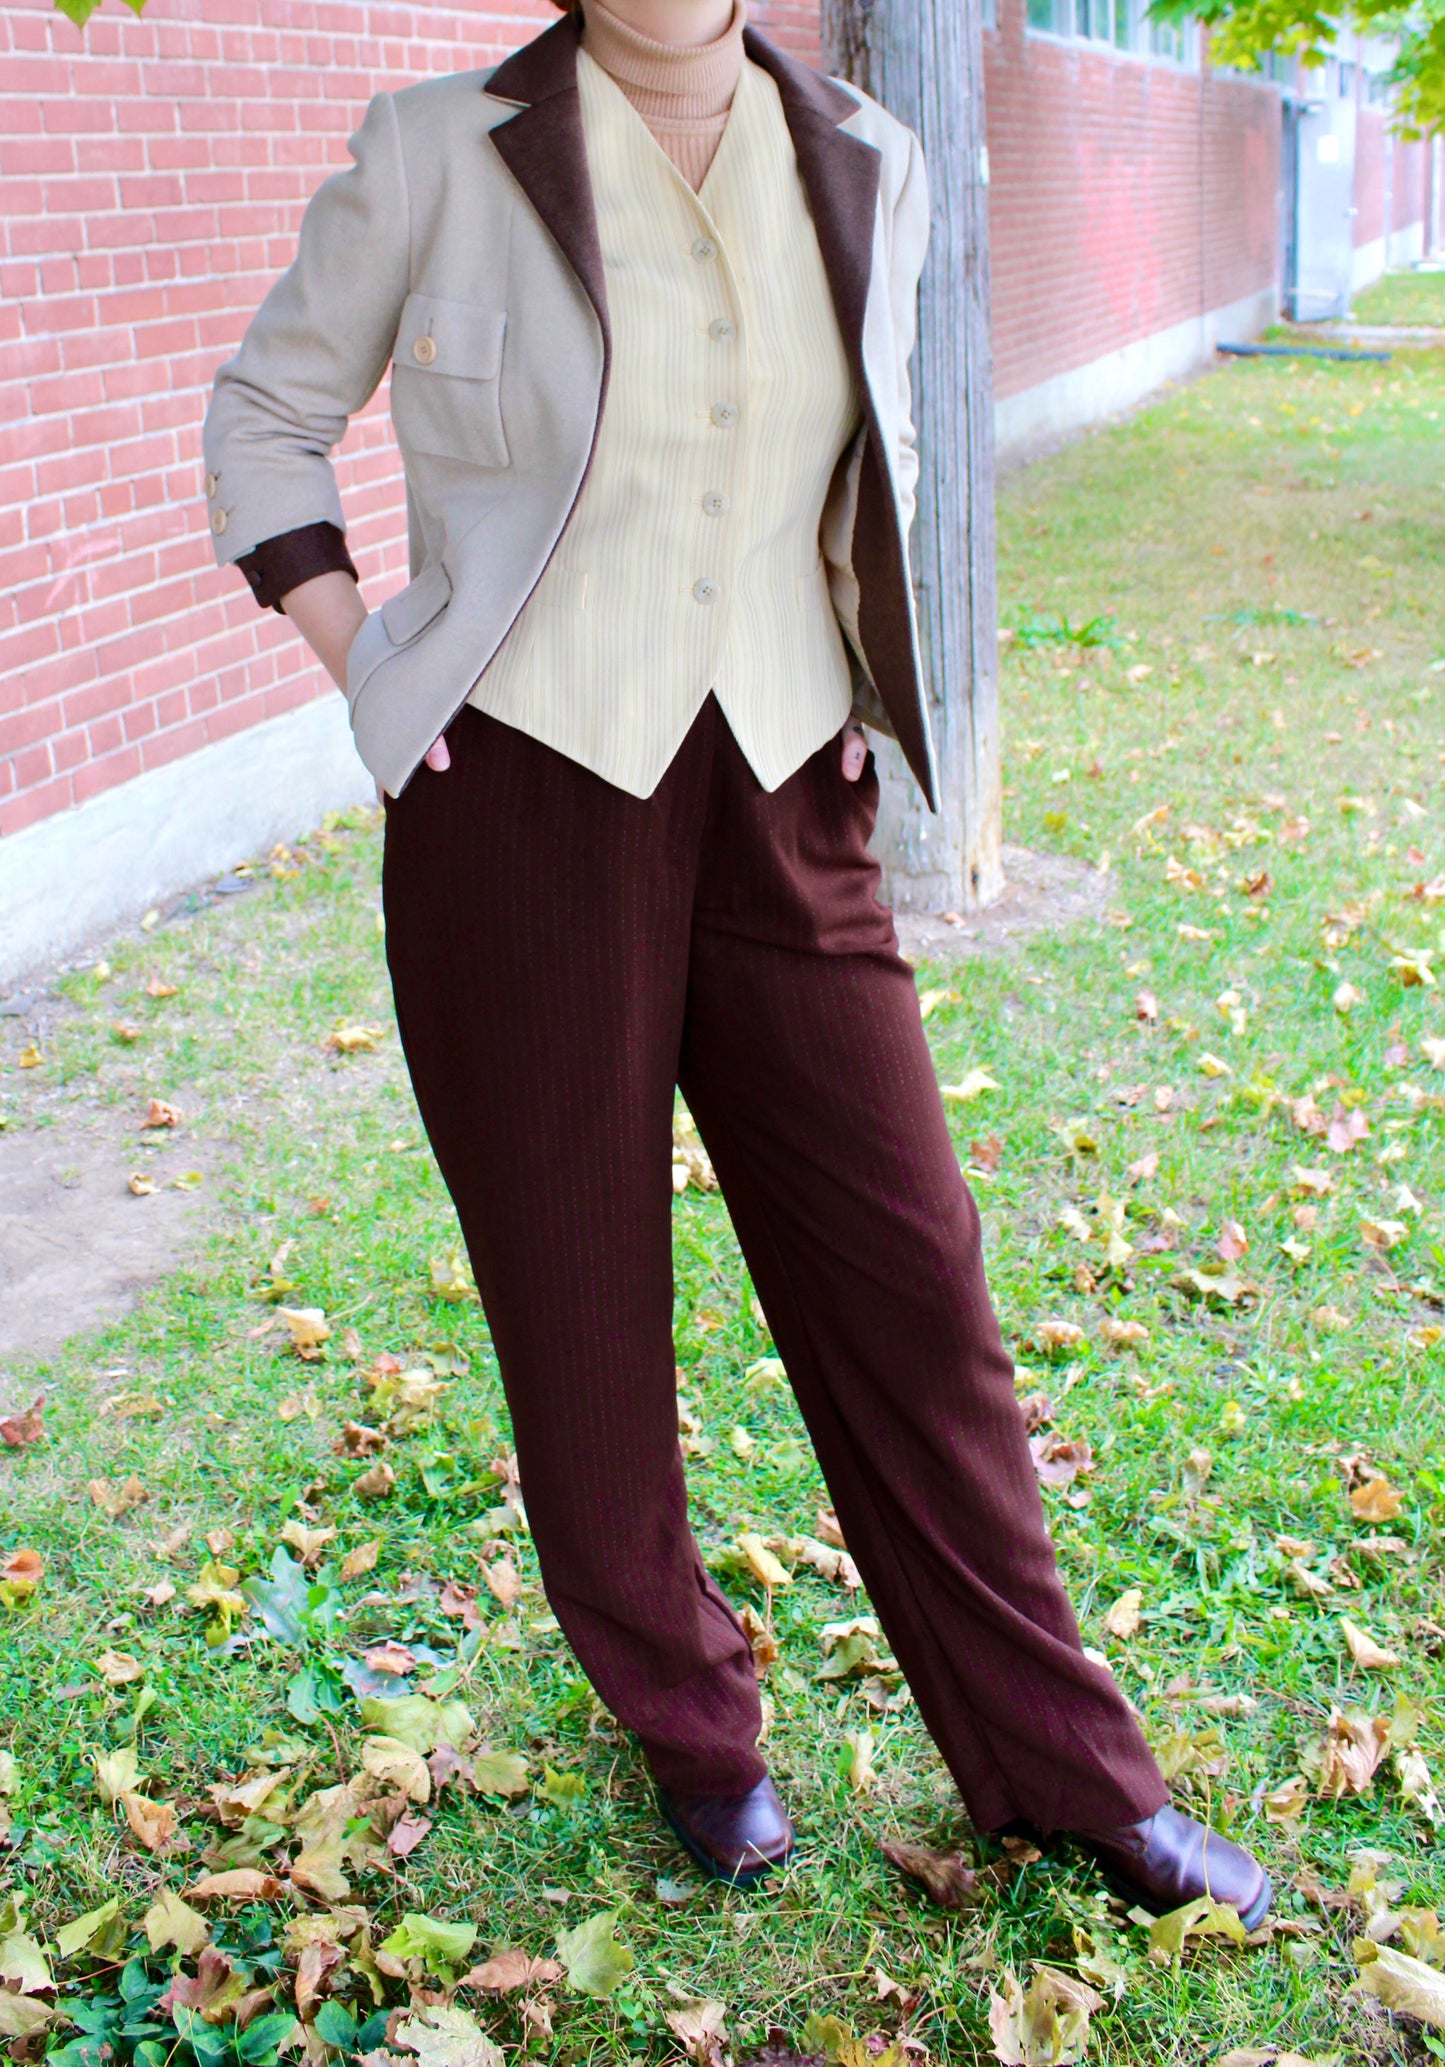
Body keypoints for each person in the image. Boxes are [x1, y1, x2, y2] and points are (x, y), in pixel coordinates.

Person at [201, 0, 1271, 1925]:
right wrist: (365, 658)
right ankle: (692, 1731)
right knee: (581, 1309)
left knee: (915, 1282)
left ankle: (1065, 1775)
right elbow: (263, 412)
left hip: (787, 792)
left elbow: (875, 450)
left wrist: (856, 671)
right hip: (521, 801)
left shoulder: (868, 153)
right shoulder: (437, 147)